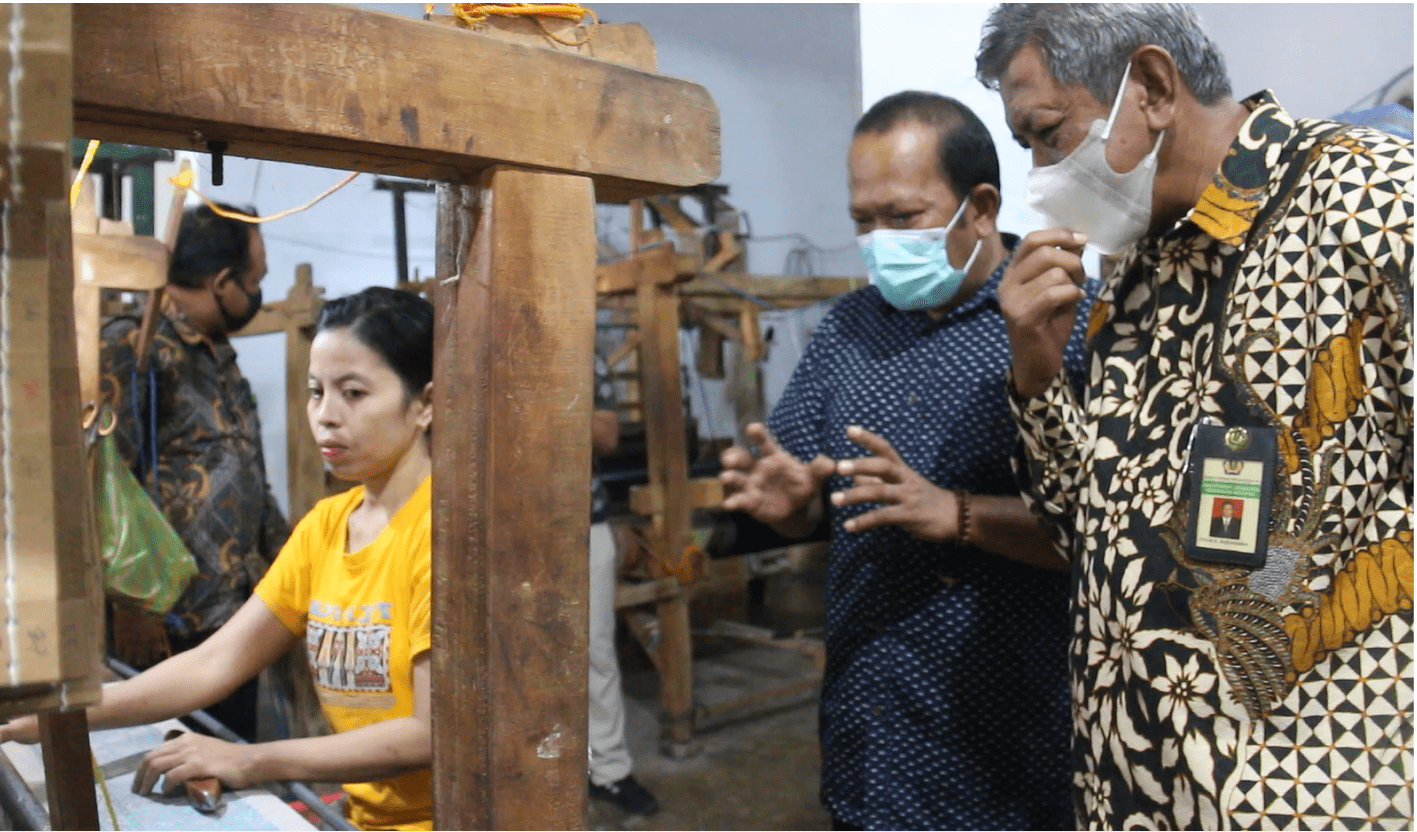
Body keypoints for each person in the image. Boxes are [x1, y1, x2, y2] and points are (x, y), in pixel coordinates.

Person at [976, 4, 1413, 828]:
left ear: (1149, 87)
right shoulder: (1136, 268)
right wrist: (1036, 370)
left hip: (1310, 790)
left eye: (1045, 131)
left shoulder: (1373, 204)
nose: (1039, 172)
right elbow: (1086, 534)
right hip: (1138, 787)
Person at [719, 91, 1096, 830]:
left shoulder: (1073, 324)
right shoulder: (847, 330)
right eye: (864, 220)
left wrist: (958, 515)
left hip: (1020, 740)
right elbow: (810, 494)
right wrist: (793, 501)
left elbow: (1122, 533)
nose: (879, 239)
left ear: (979, 206)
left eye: (903, 217)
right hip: (874, 725)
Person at [0, 288, 438, 831]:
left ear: (425, 404)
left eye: (353, 393)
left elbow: (428, 732)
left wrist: (251, 759)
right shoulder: (328, 526)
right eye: (315, 391)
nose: (325, 416)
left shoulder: (443, 533)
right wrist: (59, 713)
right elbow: (216, 661)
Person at [100, 203, 292, 742]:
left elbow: (248, 478)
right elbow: (100, 485)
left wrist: (301, 564)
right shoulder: (133, 347)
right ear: (222, 281)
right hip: (166, 625)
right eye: (255, 281)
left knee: (227, 767)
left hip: (232, 618)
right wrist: (132, 605)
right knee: (166, 783)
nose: (256, 294)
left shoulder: (219, 357)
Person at [585, 343, 660, 816]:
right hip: (501, 527)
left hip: (581, 525)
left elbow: (608, 436)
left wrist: (550, 394)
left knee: (595, 652)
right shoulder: (472, 340)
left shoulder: (578, 349)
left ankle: (607, 771)